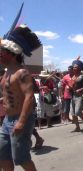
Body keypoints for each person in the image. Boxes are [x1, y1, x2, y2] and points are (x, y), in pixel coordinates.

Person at [0, 24, 42, 171]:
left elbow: (29, 97)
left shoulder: (22, 72)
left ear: (11, 53)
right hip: (7, 120)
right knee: (2, 156)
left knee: (21, 158)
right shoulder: (6, 73)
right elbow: (8, 94)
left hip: (20, 119)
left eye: (1, 52)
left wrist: (21, 122)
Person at [70, 59, 83, 132]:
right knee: (73, 114)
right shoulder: (73, 76)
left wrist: (81, 89)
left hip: (80, 96)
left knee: (78, 112)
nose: (74, 68)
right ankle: (77, 127)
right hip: (73, 96)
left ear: (80, 68)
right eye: (73, 67)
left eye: (76, 67)